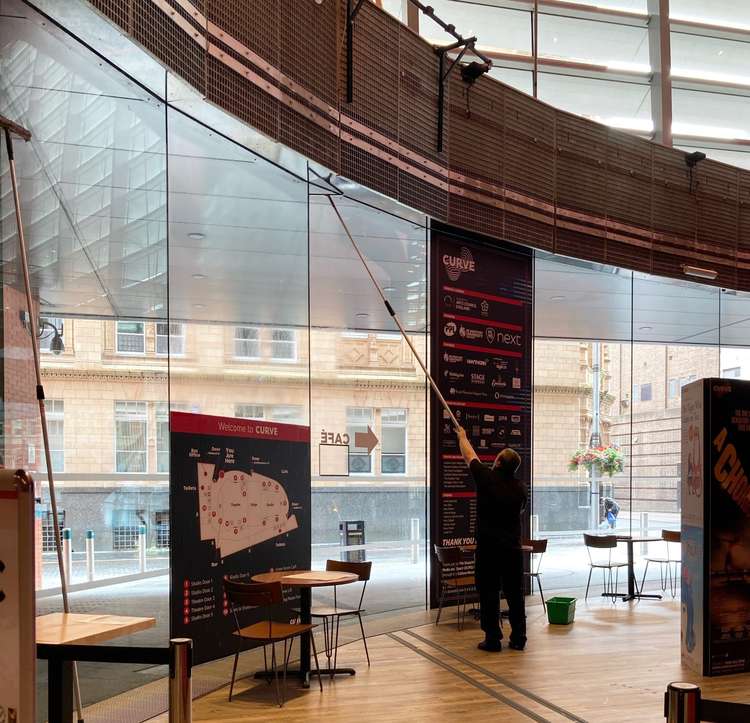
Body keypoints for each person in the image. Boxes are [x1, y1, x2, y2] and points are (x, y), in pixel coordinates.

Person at [456, 426, 527, 652]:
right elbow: (520, 512)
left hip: (488, 550)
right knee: (515, 594)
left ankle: (493, 639)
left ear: (497, 462)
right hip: (513, 550)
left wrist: (462, 436)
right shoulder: (520, 488)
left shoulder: (486, 478)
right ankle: (518, 639)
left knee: (489, 593)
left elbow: (469, 455)